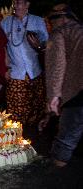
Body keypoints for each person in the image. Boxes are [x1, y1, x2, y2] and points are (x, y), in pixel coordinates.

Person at [45, 3, 83, 167]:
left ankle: (55, 175)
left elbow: (57, 66)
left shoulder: (59, 33)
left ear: (59, 19)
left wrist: (53, 96)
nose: (48, 26)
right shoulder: (80, 30)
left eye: (49, 22)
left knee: (66, 138)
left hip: (77, 91)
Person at [0, 0, 49, 126]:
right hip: (16, 73)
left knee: (36, 107)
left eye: (19, 2)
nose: (15, 5)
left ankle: (34, 138)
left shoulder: (37, 21)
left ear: (27, 4)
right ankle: (16, 138)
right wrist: (5, 68)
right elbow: (1, 47)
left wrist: (39, 45)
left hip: (35, 71)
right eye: (13, 2)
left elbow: (47, 45)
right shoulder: (5, 23)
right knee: (16, 112)